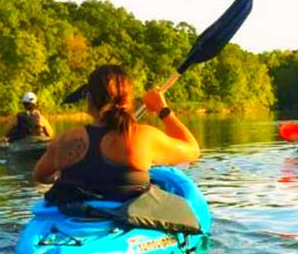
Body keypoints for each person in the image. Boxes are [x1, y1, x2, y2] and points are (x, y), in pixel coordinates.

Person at [32, 64, 200, 201]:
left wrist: (65, 178)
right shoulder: (142, 137)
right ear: (128, 100)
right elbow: (193, 151)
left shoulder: (65, 140)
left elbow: (40, 176)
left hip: (72, 219)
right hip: (125, 222)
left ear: (89, 100)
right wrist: (162, 110)